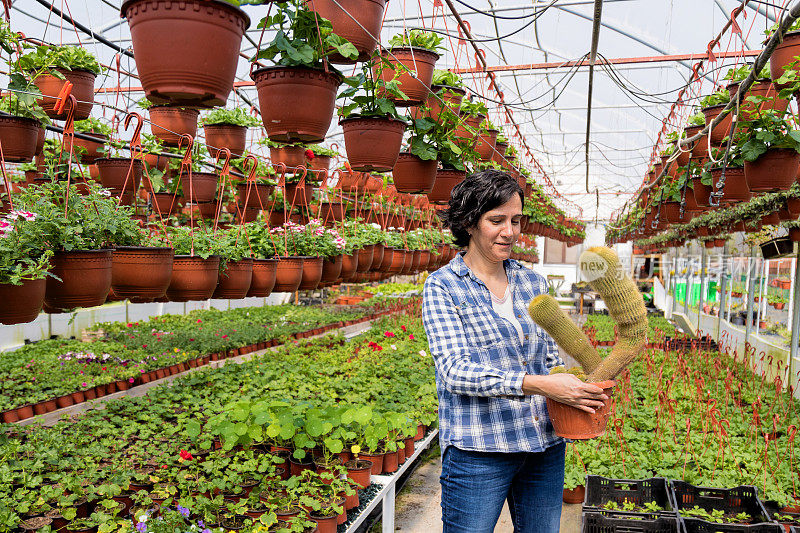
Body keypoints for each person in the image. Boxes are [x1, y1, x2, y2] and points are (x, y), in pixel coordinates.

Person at [422, 169, 608, 533]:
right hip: (480, 451)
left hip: (543, 446)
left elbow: (548, 358)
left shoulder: (532, 281)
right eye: (497, 220)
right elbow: (454, 371)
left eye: (516, 220)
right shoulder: (443, 287)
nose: (510, 231)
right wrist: (540, 384)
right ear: (469, 223)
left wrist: (577, 388)